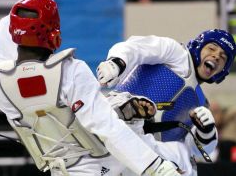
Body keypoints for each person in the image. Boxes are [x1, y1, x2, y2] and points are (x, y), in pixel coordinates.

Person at [0, 0, 181, 176]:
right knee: (111, 115)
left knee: (109, 108)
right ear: (54, 34)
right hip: (103, 166)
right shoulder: (69, 71)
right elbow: (107, 127)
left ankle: (121, 110)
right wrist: (156, 168)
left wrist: (21, 20)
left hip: (60, 170)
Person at [96, 29, 236, 175]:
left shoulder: (200, 104)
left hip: (142, 150)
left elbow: (197, 151)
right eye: (212, 48)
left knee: (188, 166)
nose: (216, 56)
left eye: (223, 57)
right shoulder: (175, 54)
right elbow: (136, 47)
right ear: (198, 47)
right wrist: (116, 62)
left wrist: (206, 132)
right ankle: (129, 109)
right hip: (116, 121)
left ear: (223, 71)